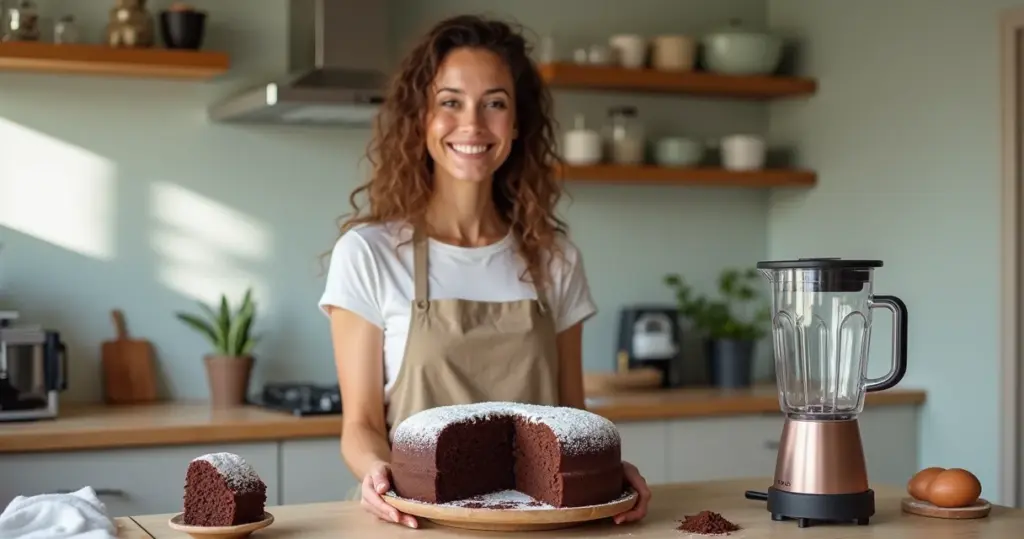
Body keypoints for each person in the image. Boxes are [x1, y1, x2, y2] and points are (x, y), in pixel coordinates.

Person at [318, 14, 652, 529]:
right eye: (450, 102)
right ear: (421, 118)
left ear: (516, 123)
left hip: (541, 527)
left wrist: (604, 472)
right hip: (415, 523)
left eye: (494, 103)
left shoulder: (555, 259)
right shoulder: (369, 254)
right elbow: (360, 426)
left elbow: (573, 416)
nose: (472, 124)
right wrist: (379, 475)